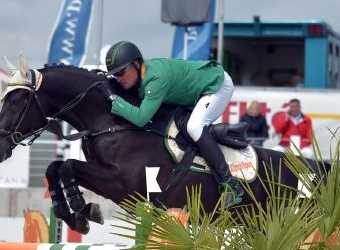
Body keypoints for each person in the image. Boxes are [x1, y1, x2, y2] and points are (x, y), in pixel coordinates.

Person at [103, 40, 244, 206]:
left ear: (136, 64)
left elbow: (141, 119)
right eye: (114, 75)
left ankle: (231, 185)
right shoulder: (141, 74)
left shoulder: (155, 80)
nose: (118, 78)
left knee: (194, 127)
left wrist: (114, 100)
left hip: (216, 85)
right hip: (195, 93)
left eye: (120, 72)